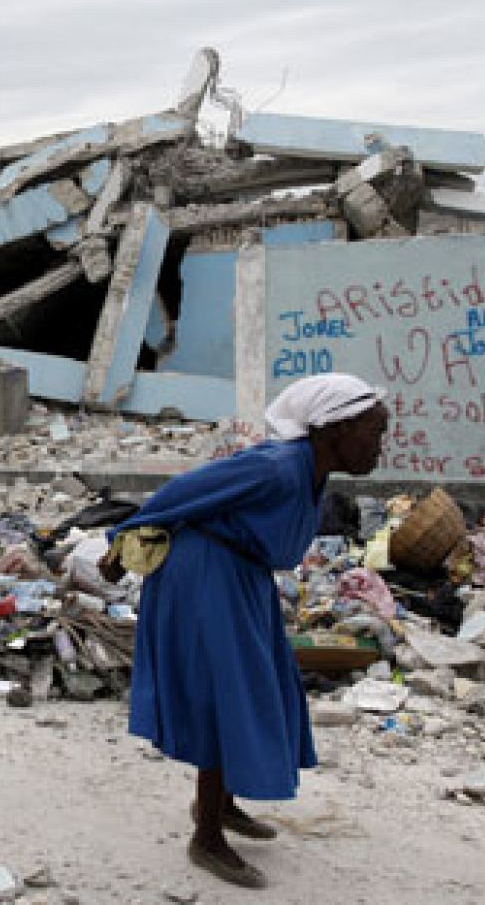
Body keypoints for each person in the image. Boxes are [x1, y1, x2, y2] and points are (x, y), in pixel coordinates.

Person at [106, 373, 390, 889]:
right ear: (334, 430)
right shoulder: (278, 469)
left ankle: (220, 802)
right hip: (204, 575)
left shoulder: (310, 471)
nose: (379, 446)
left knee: (260, 685)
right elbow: (184, 491)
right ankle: (207, 837)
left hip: (242, 575)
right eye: (373, 432)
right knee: (226, 693)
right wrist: (119, 545)